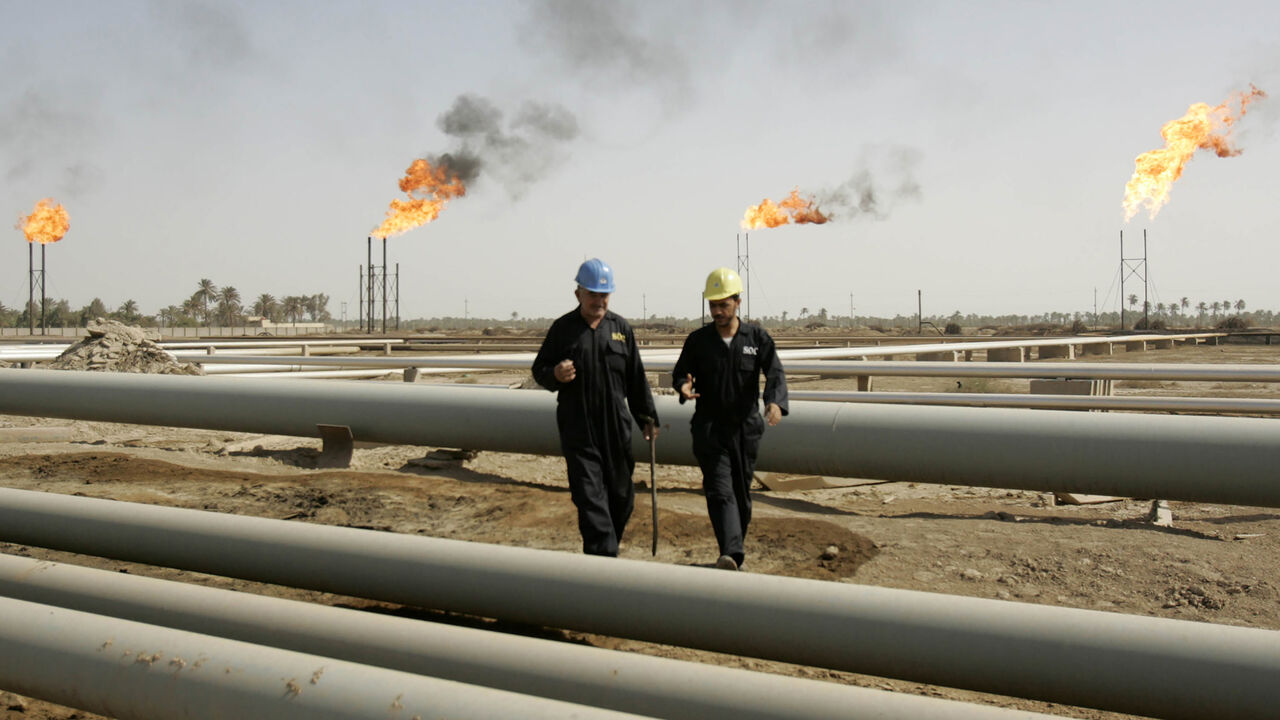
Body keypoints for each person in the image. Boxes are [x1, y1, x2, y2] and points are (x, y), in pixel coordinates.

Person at [532, 258, 659, 557]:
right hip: (579, 428)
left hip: (615, 428)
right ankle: (603, 559)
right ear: (578, 294)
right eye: (593, 294)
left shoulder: (620, 329)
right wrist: (555, 374)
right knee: (590, 498)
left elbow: (636, 378)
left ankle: (605, 552)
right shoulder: (563, 329)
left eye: (604, 295)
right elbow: (539, 370)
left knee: (622, 497)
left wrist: (647, 417)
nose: (599, 300)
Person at [672, 267, 787, 571]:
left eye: (723, 304)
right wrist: (683, 386)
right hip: (709, 427)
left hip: (745, 429)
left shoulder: (756, 338)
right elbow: (680, 373)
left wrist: (775, 402)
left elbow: (775, 373)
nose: (717, 311)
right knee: (719, 490)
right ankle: (732, 554)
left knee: (740, 495)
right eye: (713, 305)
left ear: (738, 302)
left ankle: (734, 549)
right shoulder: (698, 340)